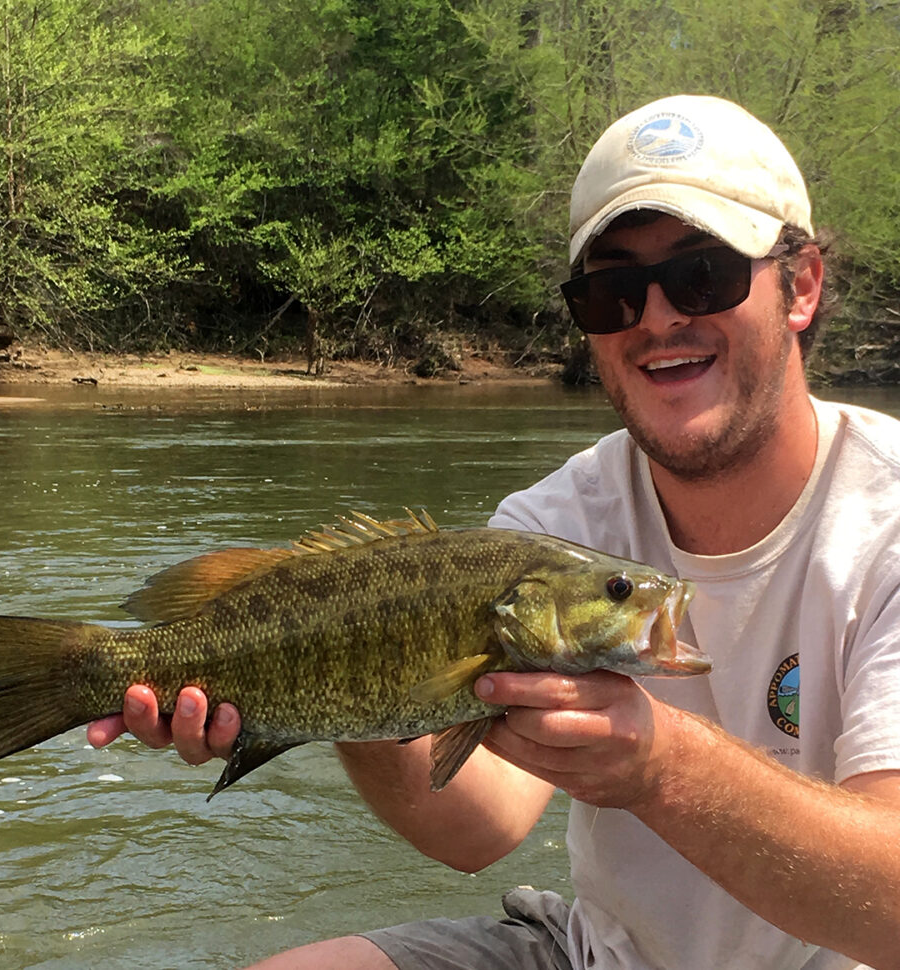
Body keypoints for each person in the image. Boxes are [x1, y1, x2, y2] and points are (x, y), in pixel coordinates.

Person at [87, 95, 900, 969]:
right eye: (613, 290)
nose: (658, 318)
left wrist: (662, 766)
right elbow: (476, 825)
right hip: (592, 954)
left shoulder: (883, 523)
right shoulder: (550, 530)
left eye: (705, 274)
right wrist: (351, 695)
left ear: (802, 285)